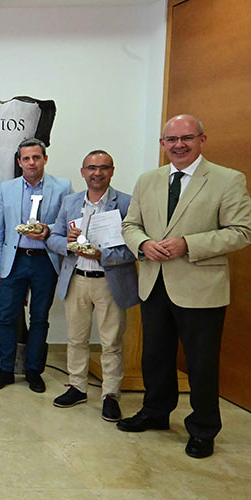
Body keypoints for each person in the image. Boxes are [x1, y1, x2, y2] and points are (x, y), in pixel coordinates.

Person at [119, 114, 251, 459]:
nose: (179, 145)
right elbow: (130, 224)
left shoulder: (227, 179)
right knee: (155, 356)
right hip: (154, 282)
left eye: (187, 138)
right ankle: (155, 412)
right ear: (162, 145)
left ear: (202, 140)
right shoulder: (148, 180)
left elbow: (241, 231)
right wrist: (143, 244)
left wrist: (188, 244)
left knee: (201, 363)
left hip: (200, 287)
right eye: (171, 140)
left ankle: (203, 428)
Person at [46, 150, 139, 421]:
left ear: (112, 171)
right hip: (76, 279)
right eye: (91, 168)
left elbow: (134, 249)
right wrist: (67, 242)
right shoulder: (70, 202)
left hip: (109, 282)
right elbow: (52, 238)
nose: (97, 173)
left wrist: (103, 255)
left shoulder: (126, 203)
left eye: (103, 168)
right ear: (82, 171)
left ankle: (110, 394)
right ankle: (77, 386)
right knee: (76, 339)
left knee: (111, 342)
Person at [0, 138, 72, 393]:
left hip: (45, 261)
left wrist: (49, 232)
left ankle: (34, 370)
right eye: (26, 158)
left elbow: (68, 223)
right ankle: (5, 369)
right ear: (19, 162)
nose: (31, 162)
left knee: (39, 318)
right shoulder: (7, 188)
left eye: (36, 157)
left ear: (45, 159)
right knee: (6, 317)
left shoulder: (62, 187)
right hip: (14, 261)